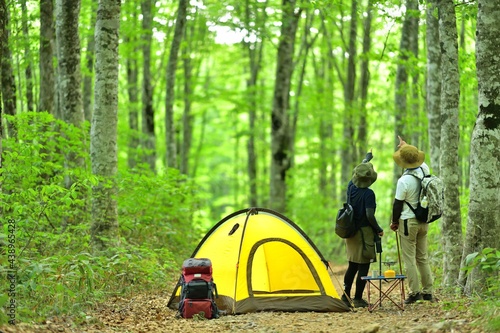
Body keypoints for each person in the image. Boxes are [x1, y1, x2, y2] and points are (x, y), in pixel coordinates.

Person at [390, 136, 434, 304]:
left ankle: (414, 292)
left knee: (409, 258)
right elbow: (413, 157)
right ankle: (428, 292)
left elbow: (397, 205)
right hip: (424, 221)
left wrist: (395, 222)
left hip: (408, 222)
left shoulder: (404, 181)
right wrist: (406, 146)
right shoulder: (424, 169)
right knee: (422, 257)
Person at [341, 151, 384, 308]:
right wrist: (378, 229)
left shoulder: (351, 187)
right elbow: (369, 215)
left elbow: (358, 170)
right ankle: (358, 298)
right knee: (364, 265)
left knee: (352, 264)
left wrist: (366, 159)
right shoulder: (369, 194)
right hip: (364, 233)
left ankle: (345, 296)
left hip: (350, 232)